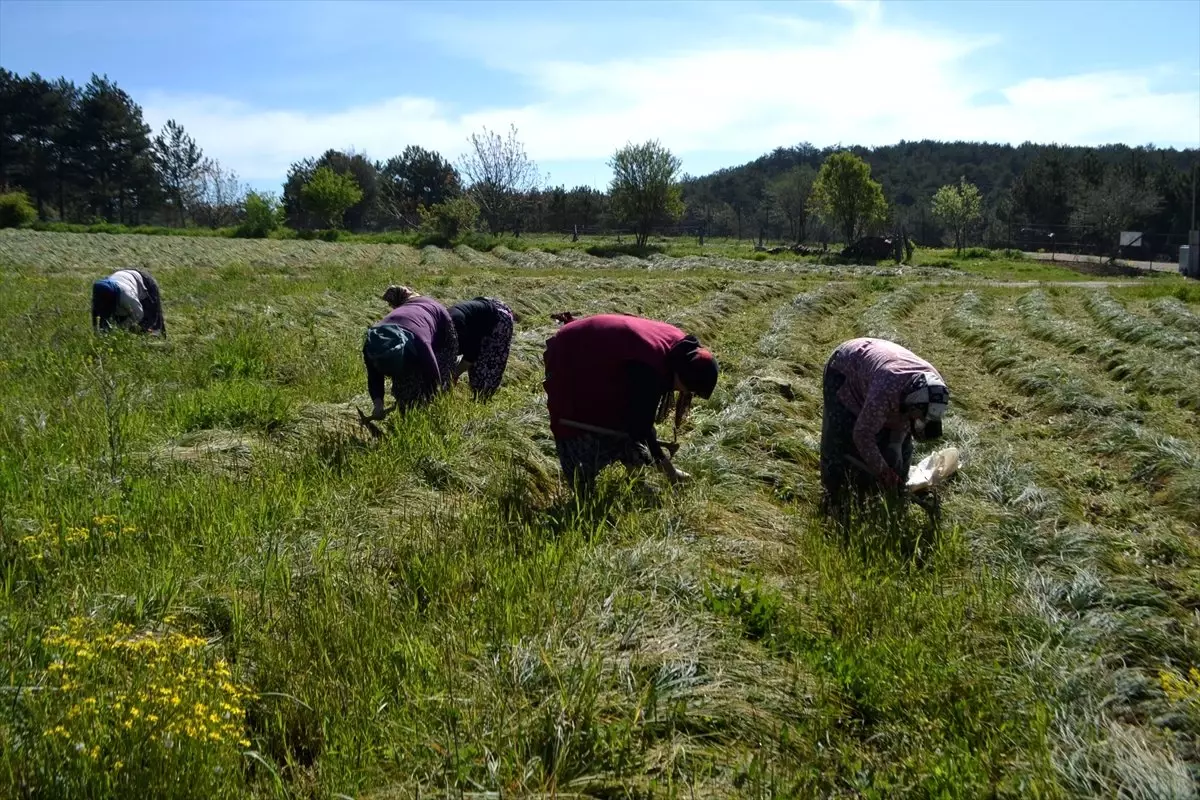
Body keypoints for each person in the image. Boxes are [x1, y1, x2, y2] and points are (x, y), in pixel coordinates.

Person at [542, 313, 719, 489]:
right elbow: (640, 424)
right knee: (579, 419)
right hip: (572, 352)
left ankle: (636, 482)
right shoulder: (650, 366)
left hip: (603, 350)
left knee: (623, 418)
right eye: (690, 389)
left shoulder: (681, 351)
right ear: (682, 377)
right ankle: (583, 491)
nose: (685, 393)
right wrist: (667, 468)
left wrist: (659, 457)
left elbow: (639, 418)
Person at [819, 337, 950, 514]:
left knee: (899, 451)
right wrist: (883, 471)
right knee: (842, 438)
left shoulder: (934, 390)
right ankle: (835, 495)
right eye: (918, 417)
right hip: (845, 366)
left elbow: (907, 421)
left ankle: (888, 496)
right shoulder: (885, 391)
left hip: (883, 379)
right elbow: (863, 434)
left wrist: (895, 445)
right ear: (909, 404)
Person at [362, 286, 458, 420]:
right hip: (410, 328)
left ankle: (433, 417)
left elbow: (433, 372)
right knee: (405, 391)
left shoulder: (420, 341)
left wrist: (435, 395)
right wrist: (378, 406)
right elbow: (374, 377)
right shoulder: (371, 344)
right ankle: (407, 416)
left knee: (437, 378)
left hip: (438, 318)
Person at [449, 296, 515, 400]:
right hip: (483, 309)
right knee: (476, 364)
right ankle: (479, 396)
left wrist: (454, 374)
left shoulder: (459, 329)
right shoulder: (445, 331)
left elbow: (471, 355)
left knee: (488, 363)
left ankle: (482, 398)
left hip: (498, 318)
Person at [91, 268, 166, 336]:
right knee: (109, 326)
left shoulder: (126, 295)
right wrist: (96, 332)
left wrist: (121, 328)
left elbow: (139, 314)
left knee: (148, 325)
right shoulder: (98, 297)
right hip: (123, 278)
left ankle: (160, 344)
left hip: (144, 282)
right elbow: (95, 315)